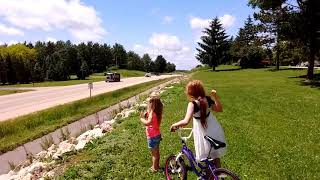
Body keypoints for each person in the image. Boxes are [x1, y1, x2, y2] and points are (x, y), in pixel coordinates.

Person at [170, 80, 226, 168]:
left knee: (206, 157)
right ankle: (218, 174)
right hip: (213, 128)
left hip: (202, 132)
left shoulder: (192, 104)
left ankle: (210, 175)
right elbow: (219, 109)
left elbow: (186, 121)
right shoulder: (207, 99)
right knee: (214, 155)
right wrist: (215, 98)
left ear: (190, 93)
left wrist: (174, 125)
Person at [140, 93, 163, 172]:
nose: (148, 105)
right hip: (157, 135)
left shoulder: (152, 114)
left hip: (152, 137)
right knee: (157, 153)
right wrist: (147, 113)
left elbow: (148, 123)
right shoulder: (157, 113)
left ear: (152, 105)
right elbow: (151, 118)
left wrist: (142, 119)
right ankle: (156, 166)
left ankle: (155, 168)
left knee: (154, 154)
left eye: (149, 103)